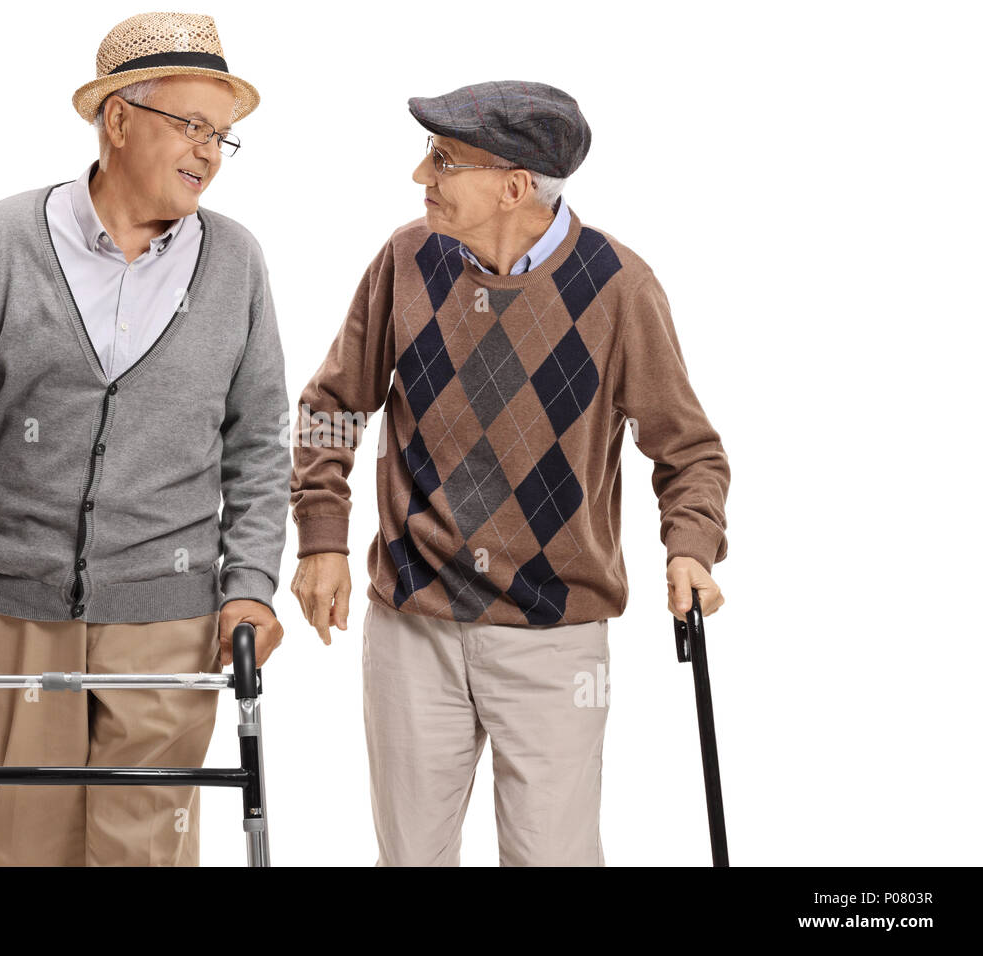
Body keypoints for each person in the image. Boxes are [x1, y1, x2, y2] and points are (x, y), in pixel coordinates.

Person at [0, 12, 289, 866]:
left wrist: (250, 586)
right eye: (191, 126)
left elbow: (261, 441)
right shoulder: (4, 241)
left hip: (171, 614)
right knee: (29, 844)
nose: (208, 153)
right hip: (15, 607)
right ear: (119, 120)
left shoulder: (236, 260)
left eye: (223, 137)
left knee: (146, 849)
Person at [289, 80, 730, 866]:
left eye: (443, 159)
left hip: (552, 634)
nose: (421, 176)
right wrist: (321, 537)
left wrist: (690, 546)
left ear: (515, 186)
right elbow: (332, 404)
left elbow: (688, 448)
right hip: (412, 625)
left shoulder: (618, 288)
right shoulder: (405, 260)